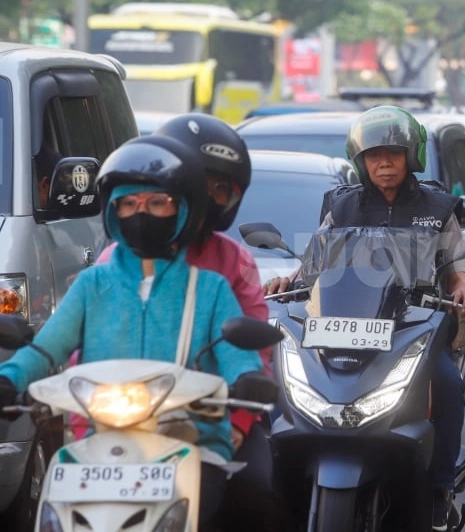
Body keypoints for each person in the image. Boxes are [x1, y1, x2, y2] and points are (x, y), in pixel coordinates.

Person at [0, 135, 269, 531]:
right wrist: (10, 378)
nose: (141, 213)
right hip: (97, 442)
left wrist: (246, 379)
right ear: (112, 211)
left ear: (182, 211)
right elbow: (46, 348)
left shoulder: (210, 289)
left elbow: (236, 352)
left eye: (157, 203)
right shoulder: (92, 284)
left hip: (192, 439)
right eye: (129, 203)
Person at [262, 105, 465, 531]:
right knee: (282, 381)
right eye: (374, 156)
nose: (383, 163)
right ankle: (275, 483)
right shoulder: (340, 207)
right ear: (360, 160)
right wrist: (289, 280)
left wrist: (461, 284)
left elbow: (458, 261)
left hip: (413, 327)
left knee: (449, 385)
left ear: (410, 157)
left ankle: (440, 490)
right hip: (344, 328)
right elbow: (314, 266)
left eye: (393, 154)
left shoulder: (438, 206)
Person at [93, 114, 280, 531]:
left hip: (213, 415)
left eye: (221, 188)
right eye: (201, 182)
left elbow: (253, 351)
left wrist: (236, 424)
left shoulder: (234, 261)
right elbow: (83, 341)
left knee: (256, 491)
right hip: (126, 415)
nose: (210, 197)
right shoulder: (115, 259)